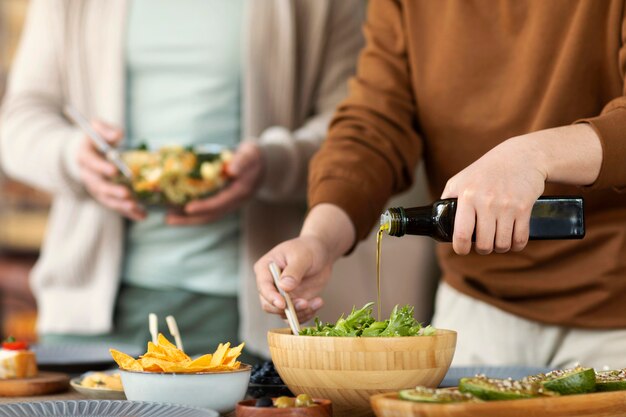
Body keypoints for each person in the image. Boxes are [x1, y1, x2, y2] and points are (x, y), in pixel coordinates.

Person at [255, 0, 626, 369]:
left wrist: (534, 155)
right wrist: (319, 239)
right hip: (476, 307)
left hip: (614, 313)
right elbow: (373, 125)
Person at [0, 0, 366, 358]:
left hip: (247, 312)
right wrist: (72, 157)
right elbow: (19, 121)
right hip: (88, 314)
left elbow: (356, 127)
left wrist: (271, 163)